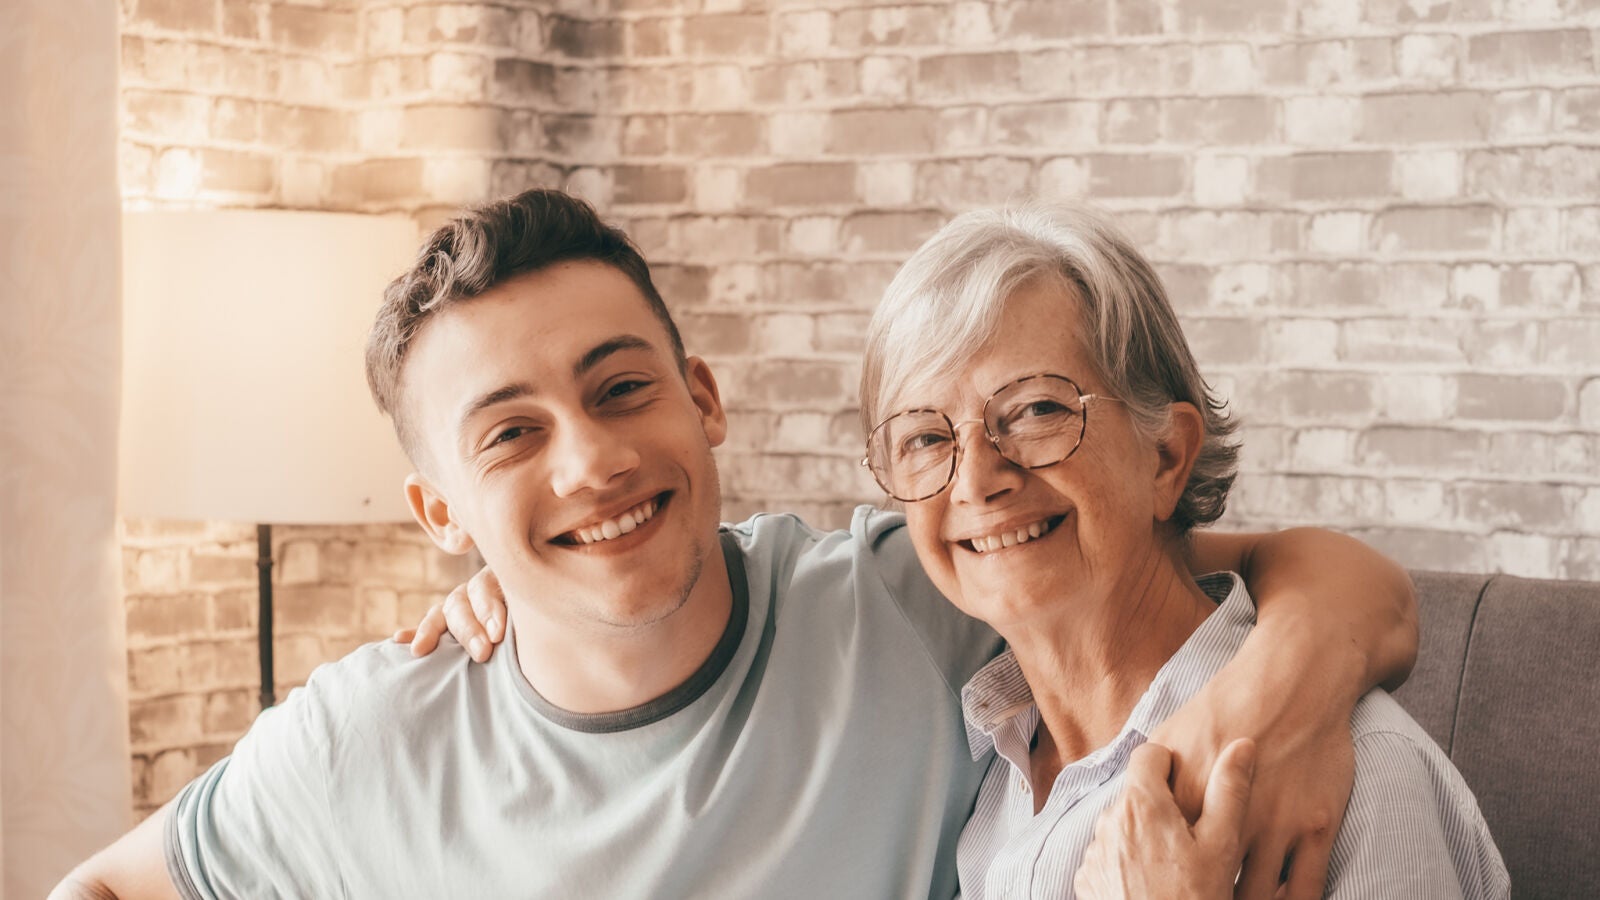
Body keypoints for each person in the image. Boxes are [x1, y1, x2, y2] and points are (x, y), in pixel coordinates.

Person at [57, 190, 1418, 900]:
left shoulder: (911, 596)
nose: (592, 460)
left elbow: (1183, 567)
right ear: (441, 519)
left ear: (704, 399)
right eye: (509, 436)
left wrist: (1278, 688)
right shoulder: (371, 738)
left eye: (621, 387)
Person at [851, 203, 1505, 898]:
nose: (977, 481)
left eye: (1037, 410)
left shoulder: (1351, 777)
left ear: (1165, 456)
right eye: (925, 438)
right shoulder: (987, 771)